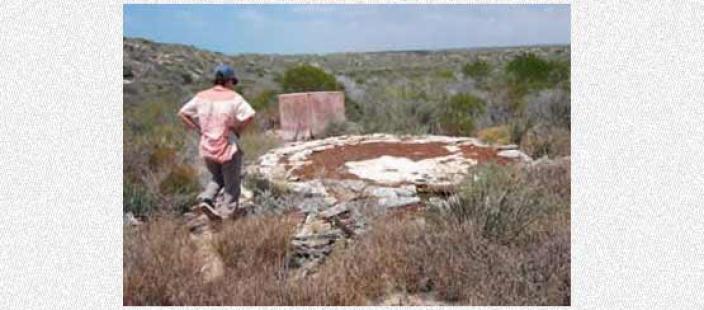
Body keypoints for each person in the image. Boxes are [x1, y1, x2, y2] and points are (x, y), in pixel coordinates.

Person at [178, 64, 255, 220]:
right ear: (228, 81)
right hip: (227, 146)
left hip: (207, 146)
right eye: (233, 82)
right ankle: (227, 216)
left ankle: (207, 199)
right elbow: (250, 115)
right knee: (232, 184)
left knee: (217, 178)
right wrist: (237, 129)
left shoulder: (201, 96)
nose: (233, 85)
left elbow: (182, 113)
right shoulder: (234, 98)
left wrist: (199, 129)